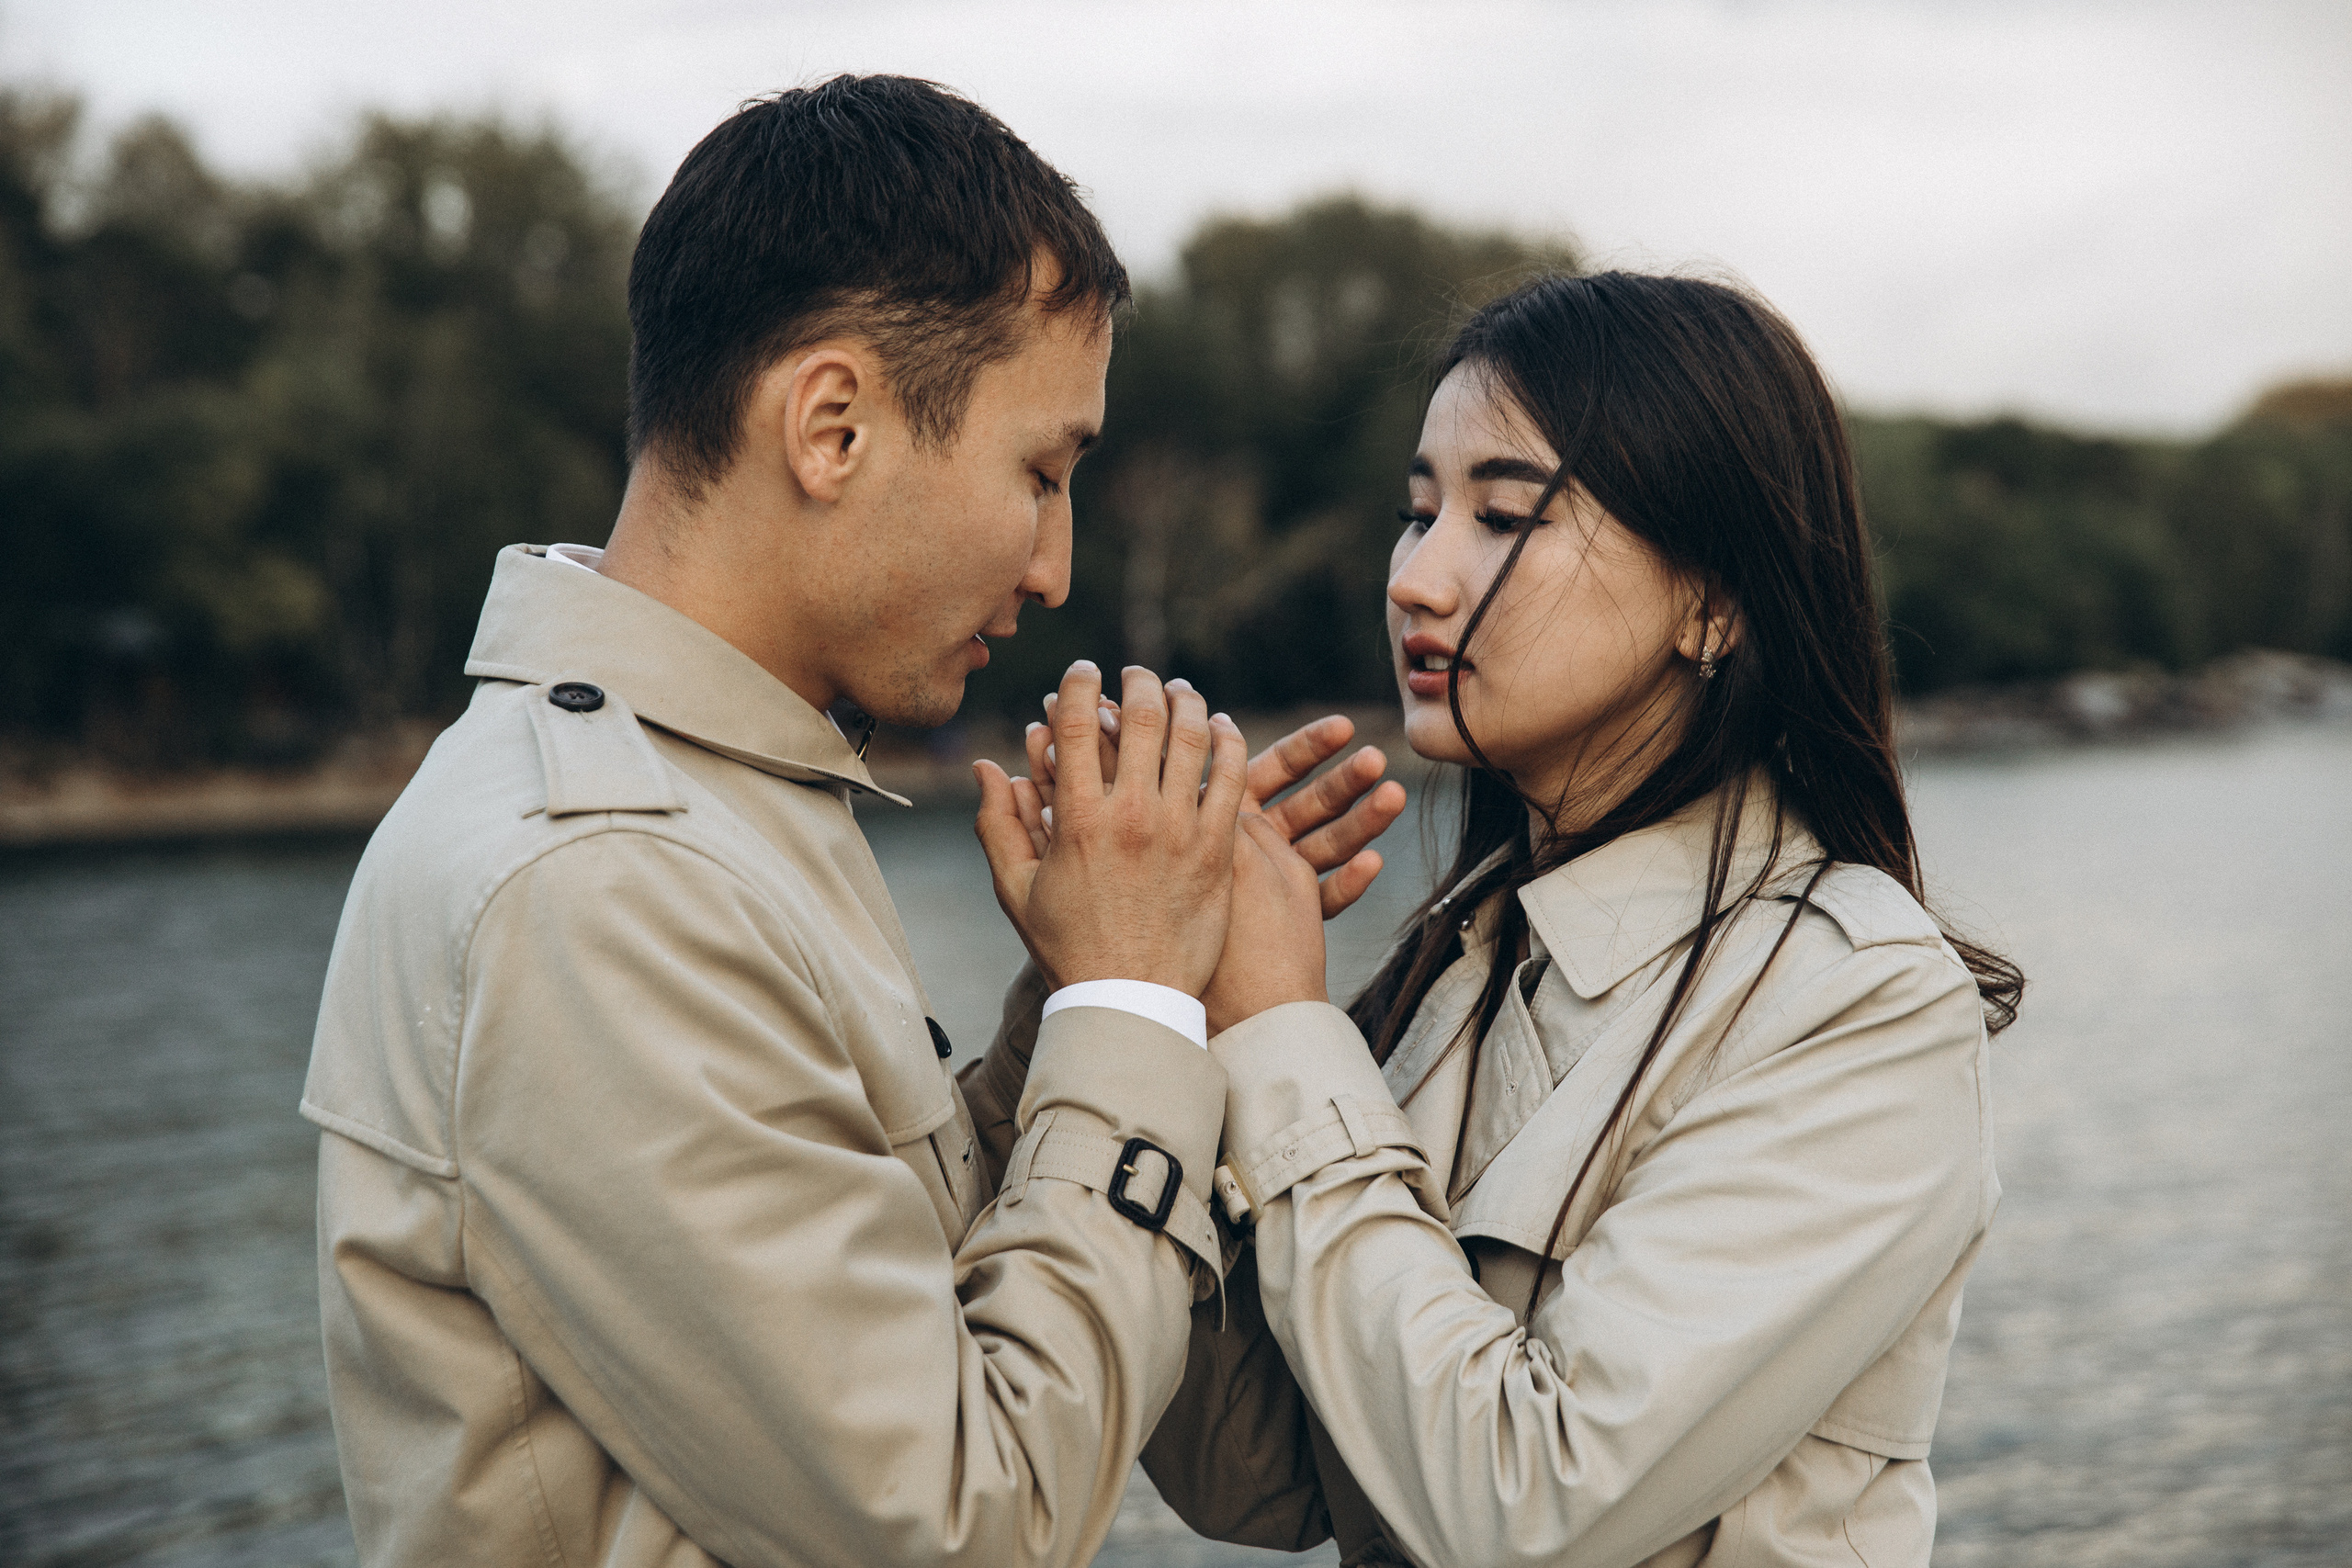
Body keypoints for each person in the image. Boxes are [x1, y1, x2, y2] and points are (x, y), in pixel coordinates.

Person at [299, 76, 1401, 1568]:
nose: (1057, 568)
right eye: (1043, 472)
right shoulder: (598, 883)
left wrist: (1097, 989)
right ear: (831, 426)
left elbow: (890, 1286)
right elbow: (965, 1523)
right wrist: (1133, 998)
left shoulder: (715, 802)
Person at [988, 271, 2024, 1567]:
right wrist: (1123, 991)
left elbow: (1532, 1506)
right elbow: (1260, 1478)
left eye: (1503, 517)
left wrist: (1282, 1025)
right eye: (1417, 515)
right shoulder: (1468, 962)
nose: (1418, 580)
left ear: (1712, 601)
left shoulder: (1858, 999)